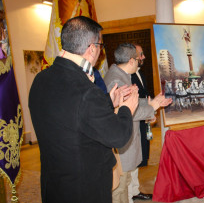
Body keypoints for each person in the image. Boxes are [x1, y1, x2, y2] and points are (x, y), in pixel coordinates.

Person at [28, 16, 139, 203]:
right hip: (86, 187)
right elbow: (117, 136)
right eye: (101, 46)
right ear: (92, 48)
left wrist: (107, 102)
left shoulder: (41, 79)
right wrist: (126, 109)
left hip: (54, 183)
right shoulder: (85, 89)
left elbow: (70, 115)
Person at [104, 43, 172, 203]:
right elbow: (128, 110)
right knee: (120, 186)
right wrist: (152, 107)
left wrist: (151, 102)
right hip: (121, 142)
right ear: (131, 61)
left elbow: (132, 101)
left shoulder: (121, 74)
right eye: (137, 58)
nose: (140, 60)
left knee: (126, 183)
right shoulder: (116, 80)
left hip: (127, 138)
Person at [129, 44, 153, 201]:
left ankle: (135, 190)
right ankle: (130, 192)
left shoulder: (140, 73)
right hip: (133, 123)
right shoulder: (127, 76)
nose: (143, 57)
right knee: (132, 158)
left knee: (139, 156)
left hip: (142, 120)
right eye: (141, 54)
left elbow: (144, 96)